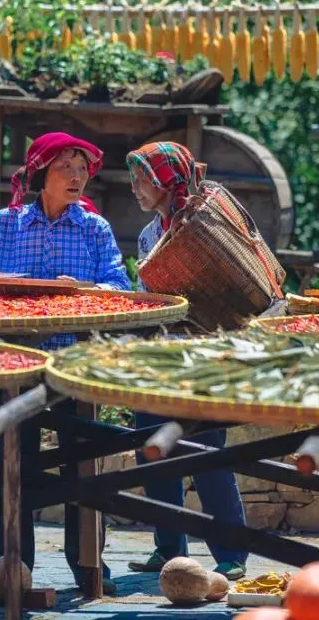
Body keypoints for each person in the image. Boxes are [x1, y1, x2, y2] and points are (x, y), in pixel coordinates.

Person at [0, 131, 130, 592]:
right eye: (67, 168)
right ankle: (11, 568)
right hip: (16, 364)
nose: (78, 176)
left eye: (83, 169)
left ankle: (87, 567)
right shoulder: (7, 225)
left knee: (80, 466)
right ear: (43, 175)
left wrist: (84, 292)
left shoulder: (93, 229)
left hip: (73, 364)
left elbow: (120, 286)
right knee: (13, 466)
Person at [123, 140, 249, 580]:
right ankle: (169, 547)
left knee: (205, 451)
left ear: (166, 180)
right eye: (135, 178)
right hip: (159, 357)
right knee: (151, 450)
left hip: (204, 358)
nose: (135, 187)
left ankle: (232, 553)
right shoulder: (147, 235)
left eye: (143, 178)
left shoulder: (205, 222)